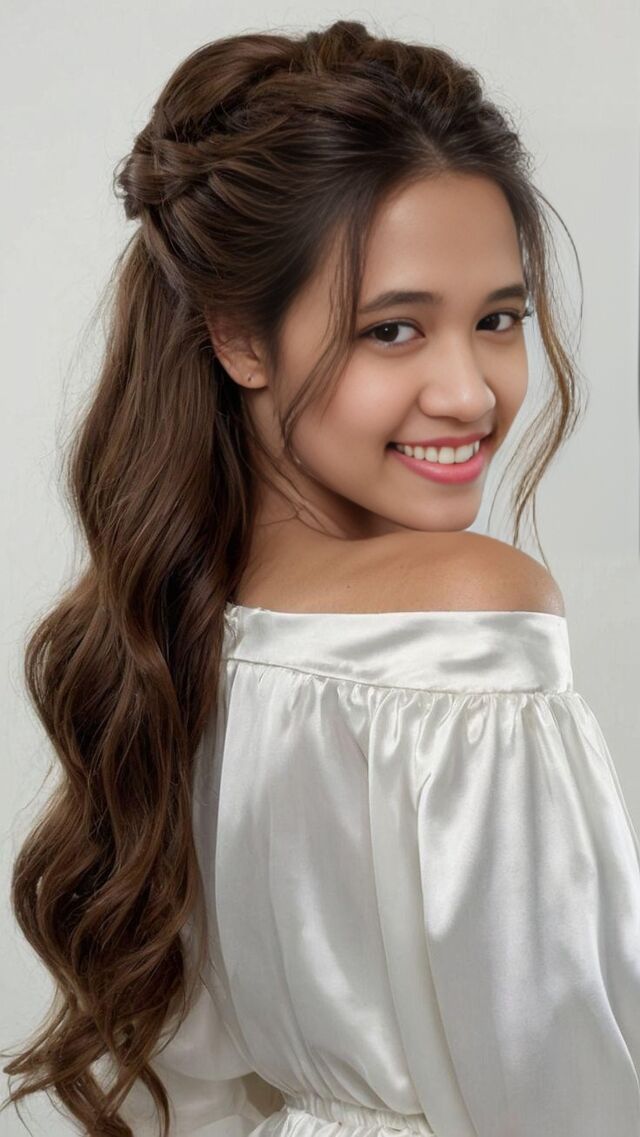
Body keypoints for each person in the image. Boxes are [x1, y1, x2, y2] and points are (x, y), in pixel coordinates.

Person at [3, 17, 639, 1137]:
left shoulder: (178, 623)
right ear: (240, 339)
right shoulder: (462, 621)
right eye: (393, 331)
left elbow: (190, 1089)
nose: (470, 392)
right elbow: (567, 1085)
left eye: (499, 318)